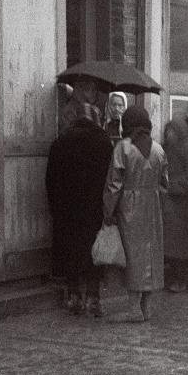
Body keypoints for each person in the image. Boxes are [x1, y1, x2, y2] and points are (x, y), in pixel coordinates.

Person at [46, 102, 113, 316]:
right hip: (94, 208)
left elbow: (51, 180)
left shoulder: (60, 142)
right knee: (93, 252)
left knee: (71, 251)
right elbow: (110, 179)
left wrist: (55, 206)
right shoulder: (104, 142)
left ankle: (74, 296)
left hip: (67, 208)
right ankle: (93, 298)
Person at [103, 106, 168, 322]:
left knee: (133, 255)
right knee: (152, 253)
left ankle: (133, 308)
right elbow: (164, 181)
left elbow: (114, 184)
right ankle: (147, 307)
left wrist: (108, 210)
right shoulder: (158, 148)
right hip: (153, 204)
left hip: (130, 205)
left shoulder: (123, 147)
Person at [162, 118, 188, 293]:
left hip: (183, 203)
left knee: (182, 245)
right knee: (173, 244)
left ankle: (182, 278)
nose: (168, 134)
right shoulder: (169, 147)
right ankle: (177, 277)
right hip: (172, 201)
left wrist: (174, 187)